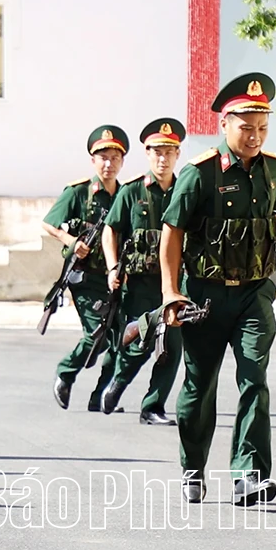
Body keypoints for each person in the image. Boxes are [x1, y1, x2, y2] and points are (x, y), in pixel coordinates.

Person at [160, 73, 276, 507]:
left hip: (254, 295)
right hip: (203, 296)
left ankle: (249, 476)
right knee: (199, 385)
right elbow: (172, 232)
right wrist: (171, 293)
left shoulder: (272, 168)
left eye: (263, 128)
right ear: (226, 124)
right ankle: (193, 466)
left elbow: (267, 217)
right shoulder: (198, 174)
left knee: (254, 379)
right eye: (247, 127)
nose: (255, 136)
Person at [98, 118, 186, 424]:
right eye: (157, 152)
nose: (163, 158)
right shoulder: (133, 191)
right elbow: (110, 231)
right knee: (139, 344)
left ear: (177, 154)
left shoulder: (186, 189)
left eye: (169, 152)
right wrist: (111, 268)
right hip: (139, 284)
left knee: (172, 347)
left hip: (174, 283)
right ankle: (119, 382)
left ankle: (152, 406)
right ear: (147, 154)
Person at [44, 125, 127, 412]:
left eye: (114, 158)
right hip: (86, 277)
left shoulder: (126, 194)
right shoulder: (79, 192)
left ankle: (102, 395)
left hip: (116, 278)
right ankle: (66, 372)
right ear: (93, 160)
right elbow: (49, 222)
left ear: (122, 162)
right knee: (97, 334)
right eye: (103, 157)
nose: (108, 163)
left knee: (120, 336)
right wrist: (72, 241)